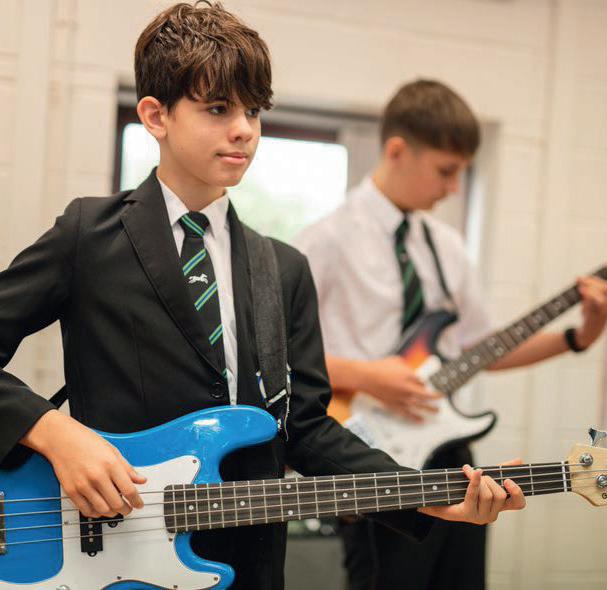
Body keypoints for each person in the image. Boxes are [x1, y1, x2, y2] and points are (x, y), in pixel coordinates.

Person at [0, 8, 525, 590]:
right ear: (155, 115)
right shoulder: (88, 236)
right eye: (218, 109)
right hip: (108, 555)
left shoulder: (283, 268)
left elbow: (307, 429)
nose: (244, 130)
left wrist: (430, 497)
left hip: (251, 563)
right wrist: (53, 432)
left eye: (253, 111)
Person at [294, 79, 607, 590]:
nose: (454, 187)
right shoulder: (323, 240)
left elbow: (481, 350)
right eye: (446, 170)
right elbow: (279, 357)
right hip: (369, 452)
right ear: (398, 151)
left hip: (449, 451)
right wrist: (365, 376)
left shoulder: (446, 245)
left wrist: (578, 338)